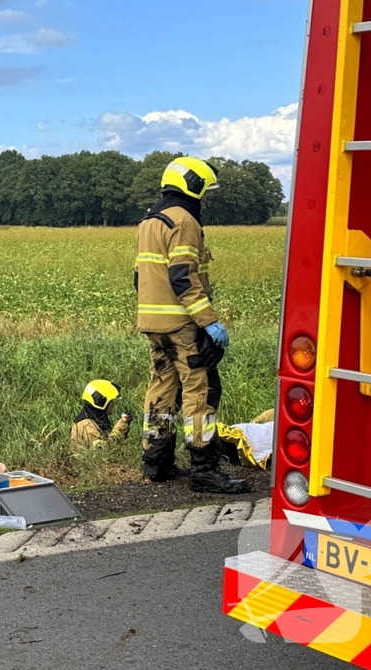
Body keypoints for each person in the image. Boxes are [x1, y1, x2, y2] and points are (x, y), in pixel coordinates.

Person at [134, 157, 251, 494]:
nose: (204, 199)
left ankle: (156, 463)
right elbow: (184, 277)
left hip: (153, 324)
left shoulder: (150, 221)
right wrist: (209, 323)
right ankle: (204, 470)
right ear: (193, 185)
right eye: (204, 190)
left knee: (162, 390)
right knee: (201, 391)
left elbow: (139, 276)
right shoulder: (184, 221)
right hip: (181, 324)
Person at [70, 380, 133, 453]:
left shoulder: (96, 419)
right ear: (101, 402)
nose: (113, 404)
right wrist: (121, 427)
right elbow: (103, 451)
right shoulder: (87, 425)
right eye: (111, 401)